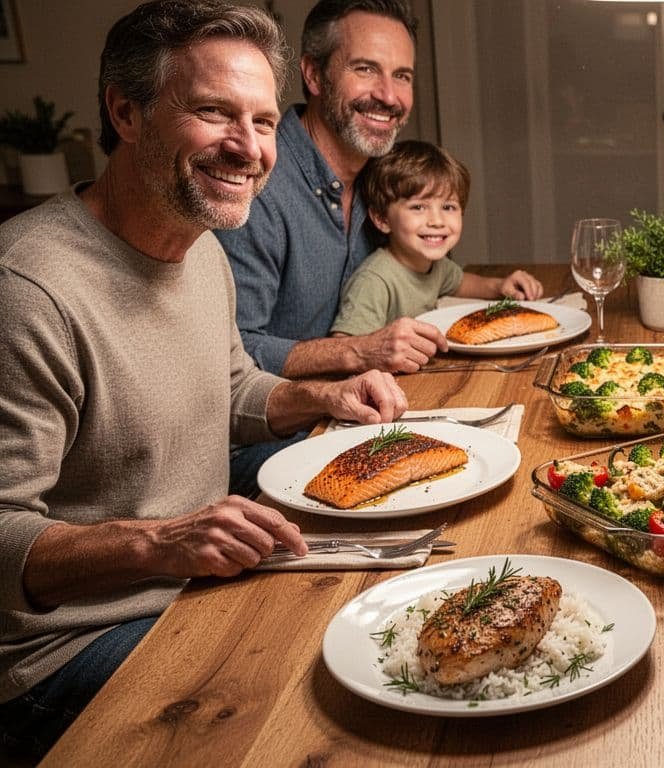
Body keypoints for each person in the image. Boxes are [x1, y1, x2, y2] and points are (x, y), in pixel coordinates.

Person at [0, 2, 408, 758]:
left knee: (393, 637)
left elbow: (229, 390)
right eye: (214, 113)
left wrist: (322, 396)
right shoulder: (28, 288)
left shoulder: (200, 246)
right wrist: (160, 542)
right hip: (65, 656)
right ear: (127, 111)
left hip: (196, 587)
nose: (247, 147)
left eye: (260, 122)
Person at [215, 0, 439, 496]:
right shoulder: (254, 185)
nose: (389, 95)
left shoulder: (378, 183)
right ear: (314, 75)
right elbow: (231, 350)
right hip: (255, 452)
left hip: (350, 418)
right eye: (366, 70)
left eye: (402, 76)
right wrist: (359, 349)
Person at [330, 140, 543, 336]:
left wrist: (500, 286)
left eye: (448, 207)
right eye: (418, 207)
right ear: (382, 219)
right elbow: (345, 347)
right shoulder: (374, 281)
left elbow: (461, 283)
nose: (436, 221)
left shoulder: (435, 266)